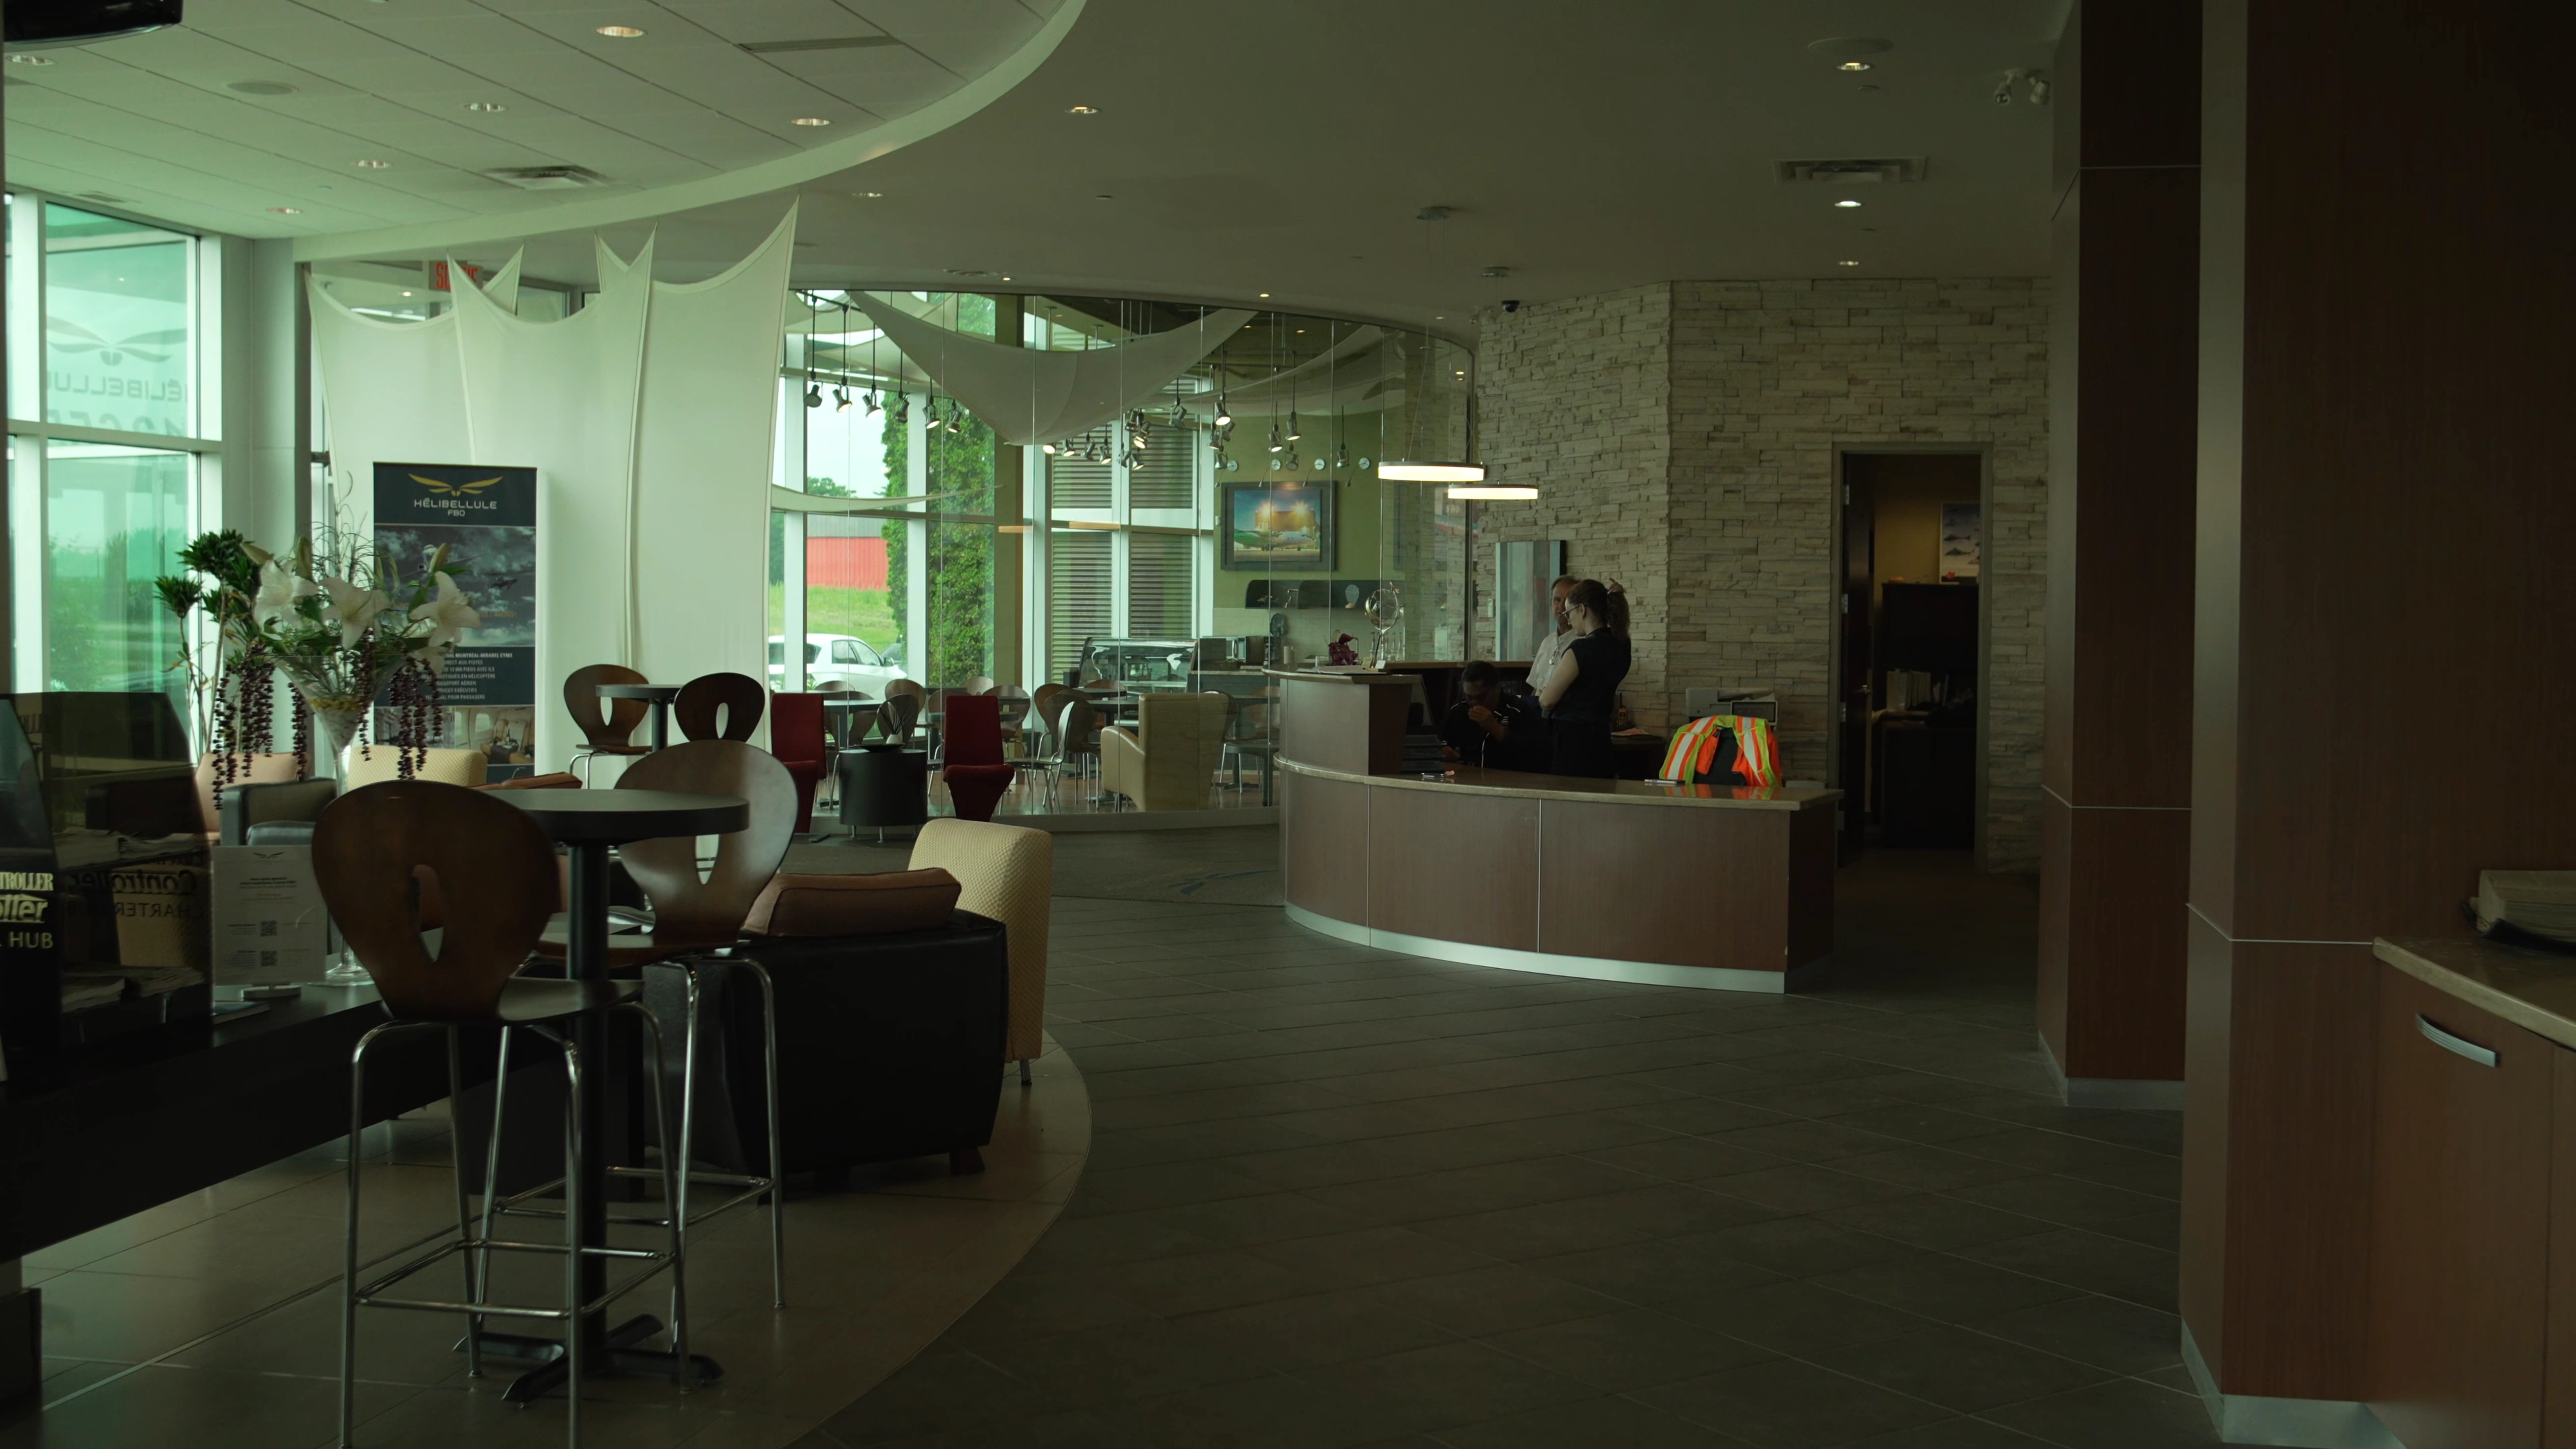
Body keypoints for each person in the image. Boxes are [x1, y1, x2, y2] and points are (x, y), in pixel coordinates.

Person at [1536, 578, 1631, 778]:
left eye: (1570, 613)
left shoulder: (1581, 649)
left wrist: (1546, 692)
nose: (1570, 621)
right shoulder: (1622, 644)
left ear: (1583, 610)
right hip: (1601, 739)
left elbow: (1547, 700)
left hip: (1572, 742)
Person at [1439, 661, 1537, 770]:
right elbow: (1442, 742)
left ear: (1497, 689)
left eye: (1481, 697)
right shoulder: (1459, 710)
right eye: (1469, 697)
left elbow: (1534, 756)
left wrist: (1496, 729)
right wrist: (1447, 753)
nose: (1474, 703)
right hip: (1467, 778)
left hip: (1509, 779)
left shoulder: (1517, 711)